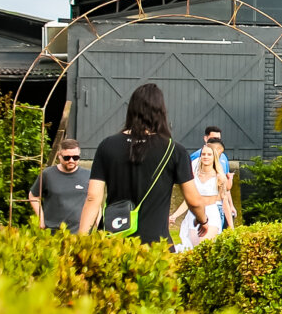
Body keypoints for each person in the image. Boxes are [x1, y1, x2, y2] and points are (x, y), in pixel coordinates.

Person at [78, 84, 215, 244]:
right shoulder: (174, 150)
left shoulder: (107, 145)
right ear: (161, 112)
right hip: (156, 246)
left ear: (131, 110)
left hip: (114, 244)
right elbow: (193, 200)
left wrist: (81, 242)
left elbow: (93, 198)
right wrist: (203, 220)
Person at [174, 147, 234, 251]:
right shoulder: (193, 176)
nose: (206, 157)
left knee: (204, 246)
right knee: (193, 249)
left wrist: (231, 226)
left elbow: (224, 201)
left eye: (209, 154)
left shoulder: (219, 177)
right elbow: (188, 200)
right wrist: (174, 215)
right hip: (194, 215)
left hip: (211, 213)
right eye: (203, 154)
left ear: (214, 157)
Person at [28, 137, 89, 233]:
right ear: (59, 156)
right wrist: (41, 220)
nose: (71, 160)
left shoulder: (88, 175)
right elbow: (33, 196)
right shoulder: (47, 175)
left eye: (75, 157)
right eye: (67, 157)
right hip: (53, 232)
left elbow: (95, 200)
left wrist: (95, 223)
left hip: (81, 233)